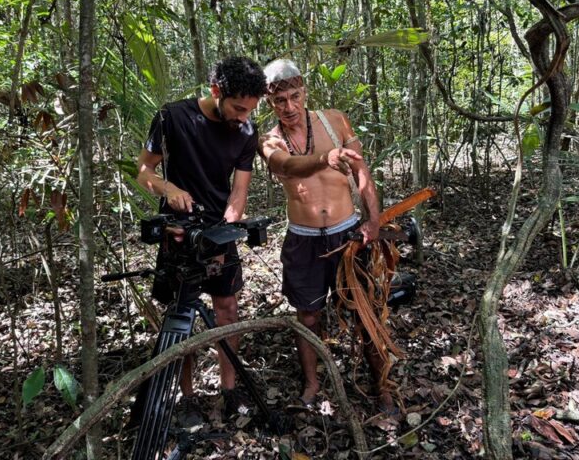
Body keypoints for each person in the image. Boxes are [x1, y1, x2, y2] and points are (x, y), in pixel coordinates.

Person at [258, 58, 398, 415]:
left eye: (294, 96)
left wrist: (373, 220)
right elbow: (288, 166)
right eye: (279, 101)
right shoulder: (270, 141)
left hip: (347, 234)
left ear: (304, 91)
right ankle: (313, 383)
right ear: (269, 102)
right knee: (308, 316)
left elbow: (361, 170)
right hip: (303, 240)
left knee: (366, 313)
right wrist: (326, 158)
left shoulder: (334, 121)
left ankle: (381, 385)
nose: (288, 107)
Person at [136, 56, 267, 424]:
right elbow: (143, 170)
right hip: (178, 234)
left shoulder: (245, 131)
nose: (244, 117)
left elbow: (239, 190)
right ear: (215, 92)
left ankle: (229, 389)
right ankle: (188, 395)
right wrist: (168, 187)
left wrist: (231, 219)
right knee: (182, 315)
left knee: (227, 310)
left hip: (217, 233)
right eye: (238, 108)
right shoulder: (172, 117)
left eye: (250, 110)